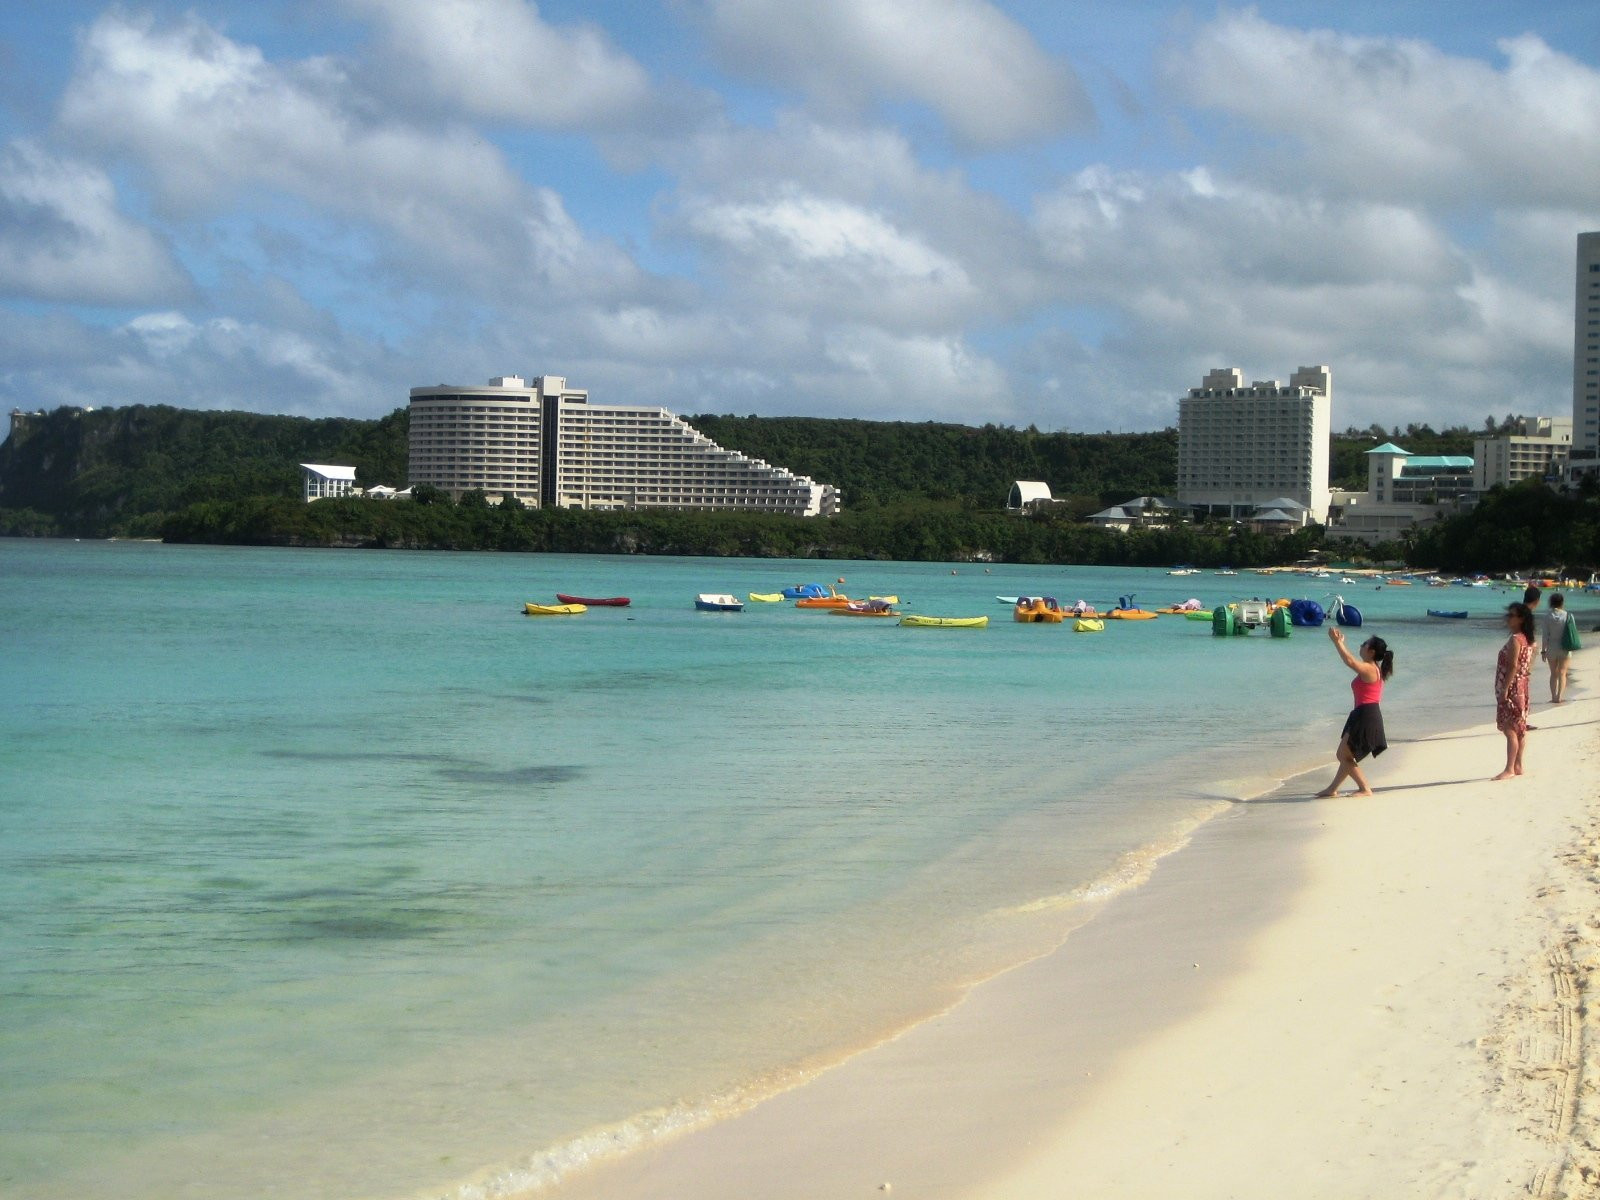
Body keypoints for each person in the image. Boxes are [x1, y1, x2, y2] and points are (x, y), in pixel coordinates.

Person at [1315, 627, 1394, 798]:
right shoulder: (1373, 668)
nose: (1361, 645)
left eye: (1364, 644)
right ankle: (1332, 789)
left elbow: (1350, 661)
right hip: (1363, 714)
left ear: (1371, 652)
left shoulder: (1370, 669)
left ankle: (1365, 788)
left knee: (1343, 754)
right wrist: (1340, 643)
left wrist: (1337, 643)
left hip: (1366, 715)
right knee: (1346, 755)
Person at [1493, 602, 1537, 780]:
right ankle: (1518, 765)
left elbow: (1512, 666)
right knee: (1519, 728)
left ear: (1521, 619)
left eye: (1512, 615)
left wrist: (1505, 690)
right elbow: (1527, 666)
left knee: (1510, 729)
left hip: (1512, 687)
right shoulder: (1528, 639)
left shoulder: (1516, 639)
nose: (1508, 618)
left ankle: (1509, 768)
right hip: (1522, 686)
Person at [1541, 592, 1573, 704]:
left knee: (1553, 673)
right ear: (1562, 603)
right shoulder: (1568, 615)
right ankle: (1559, 697)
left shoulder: (1547, 616)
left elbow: (1545, 635)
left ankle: (1554, 697)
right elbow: (1572, 633)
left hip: (1551, 647)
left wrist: (1543, 651)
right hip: (1565, 646)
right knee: (1562, 673)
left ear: (1551, 602)